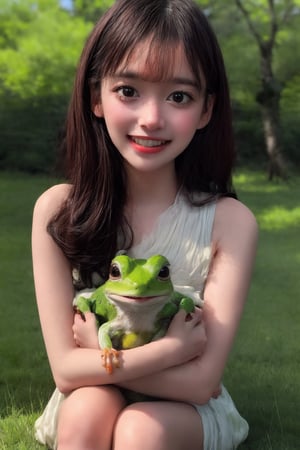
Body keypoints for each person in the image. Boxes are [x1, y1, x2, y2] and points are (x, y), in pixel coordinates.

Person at [32, 0, 258, 449]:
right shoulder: (58, 210)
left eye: (179, 96)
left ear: (206, 110)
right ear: (96, 96)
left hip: (186, 412)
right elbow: (64, 370)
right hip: (89, 395)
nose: (152, 119)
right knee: (86, 413)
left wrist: (95, 356)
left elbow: (201, 385)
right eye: (128, 91)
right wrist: (173, 350)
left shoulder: (231, 223)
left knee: (141, 430)